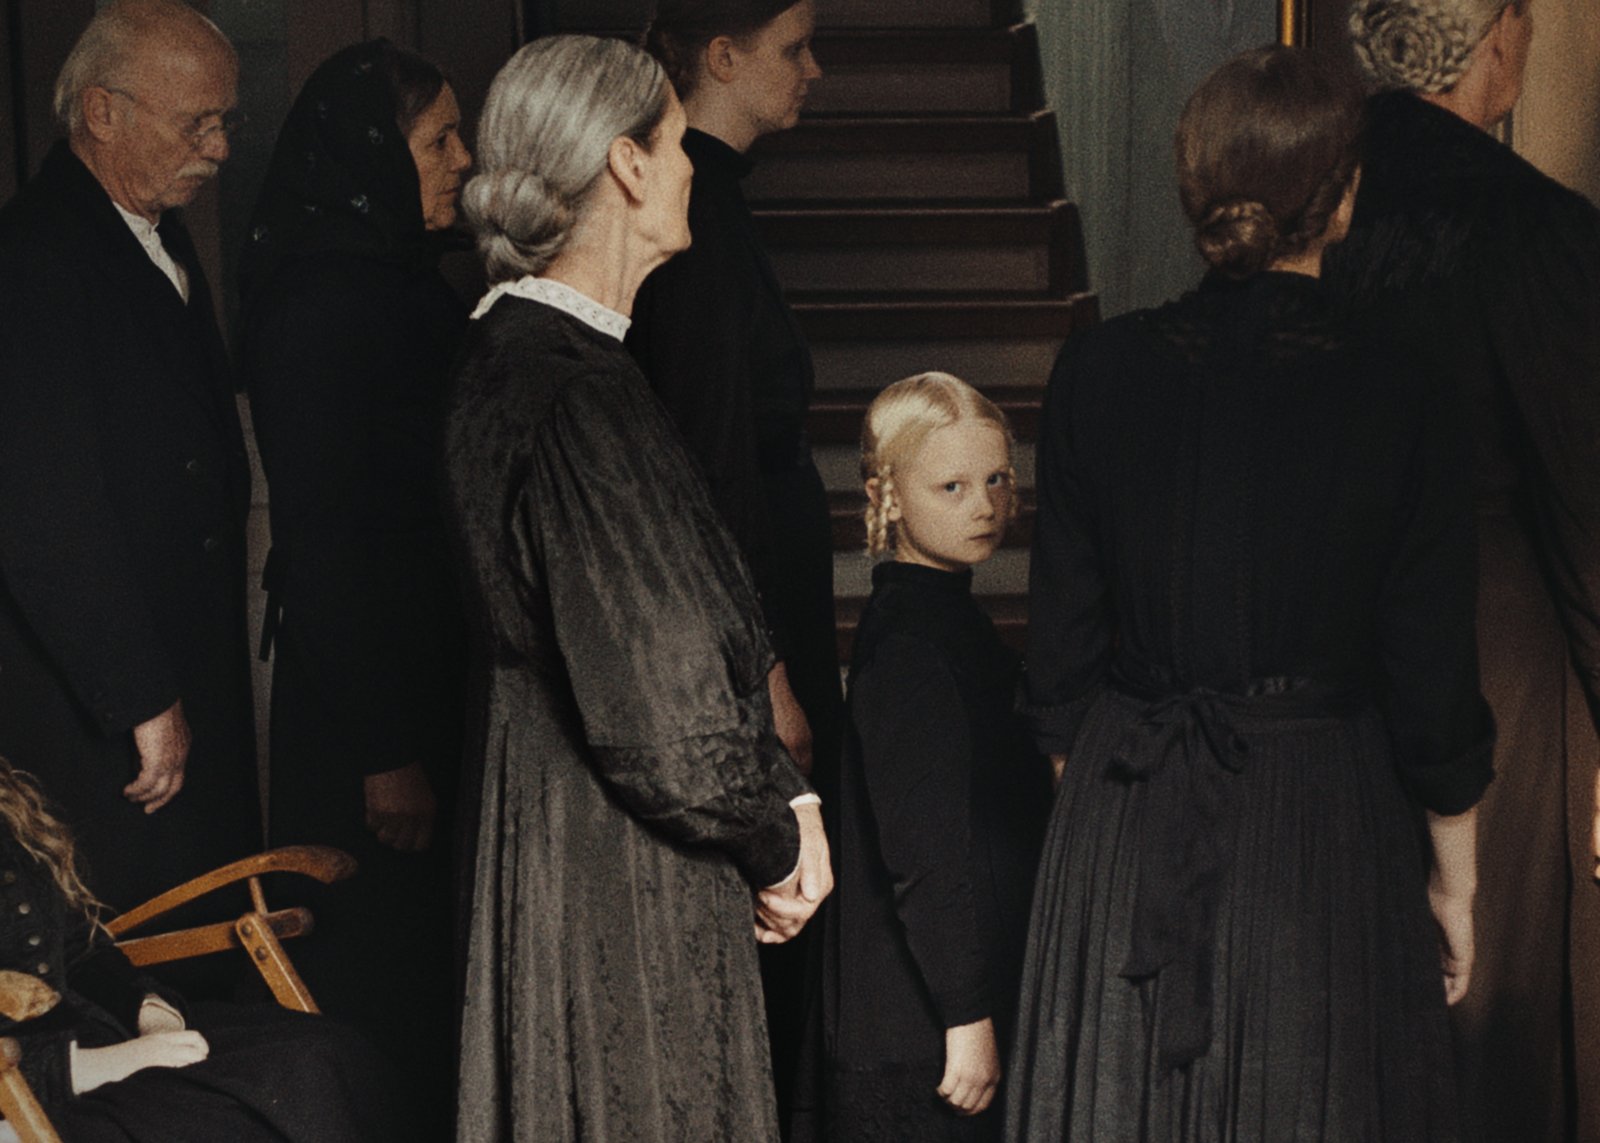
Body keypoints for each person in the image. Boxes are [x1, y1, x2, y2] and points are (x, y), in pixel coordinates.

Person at [1010, 46, 1494, 1141]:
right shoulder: (1403, 385)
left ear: (1194, 188)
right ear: (1344, 198)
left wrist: (1102, 842)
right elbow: (1430, 673)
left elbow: (1061, 664)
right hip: (1320, 821)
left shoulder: (1097, 369)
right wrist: (1456, 885)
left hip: (1125, 804)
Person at [444, 34, 831, 1142]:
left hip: (564, 841)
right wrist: (778, 833)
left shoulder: (537, 358)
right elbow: (664, 727)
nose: (693, 165)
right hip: (617, 874)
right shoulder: (574, 391)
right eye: (675, 140)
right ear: (626, 164)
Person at [1327, 2, 1600, 1137]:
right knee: (1499, 1000)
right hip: (1499, 644)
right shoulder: (1533, 225)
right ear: (1496, 38)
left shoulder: (1310, 198)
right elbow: (1584, 495)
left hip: (1324, 636)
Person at [236, 38, 473, 1136]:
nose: (464, 161)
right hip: (368, 708)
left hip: (420, 672)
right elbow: (325, 540)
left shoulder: (402, 282)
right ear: (373, 155)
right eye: (440, 140)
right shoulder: (318, 305)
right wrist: (386, 751)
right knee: (379, 976)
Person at [0, 0, 259, 916]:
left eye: (224, 121)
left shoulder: (151, 232)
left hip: (177, 664)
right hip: (104, 713)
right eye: (197, 123)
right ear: (102, 112)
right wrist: (142, 695)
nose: (219, 148)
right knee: (141, 944)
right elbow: (43, 513)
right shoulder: (33, 259)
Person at [628, 4, 836, 1118]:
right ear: (721, 56)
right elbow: (710, 464)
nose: (814, 69)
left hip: (761, 592)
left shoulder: (718, 199)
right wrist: (767, 670)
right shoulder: (695, 208)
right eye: (793, 46)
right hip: (748, 613)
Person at [813, 372, 1050, 1142]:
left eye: (997, 479)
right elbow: (924, 852)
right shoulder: (912, 644)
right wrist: (967, 1015)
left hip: (935, 1013)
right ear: (886, 497)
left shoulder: (943, 617)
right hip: (923, 1033)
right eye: (951, 485)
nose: (983, 504)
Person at [0, 754, 414, 1143]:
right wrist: (71, 1069)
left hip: (92, 1032)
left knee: (325, 1057)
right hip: (27, 1085)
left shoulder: (8, 803)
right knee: (233, 1120)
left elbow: (76, 945)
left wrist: (148, 1010)